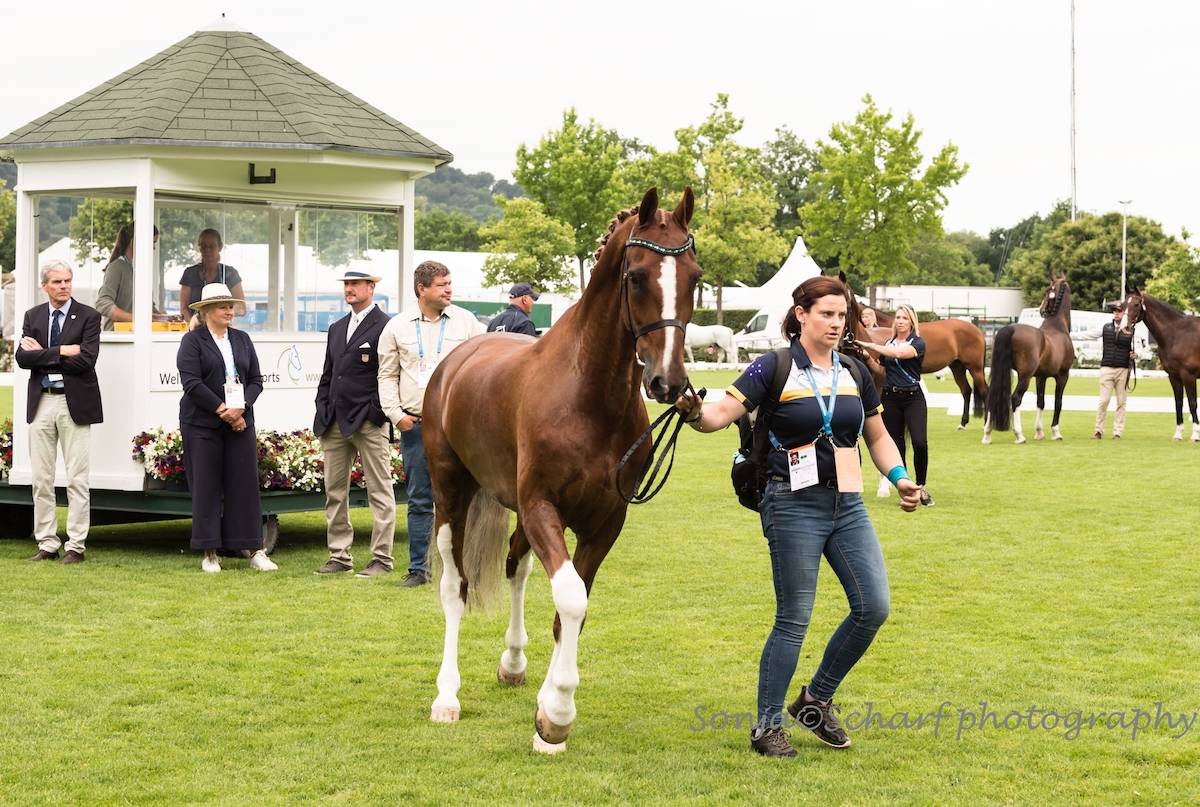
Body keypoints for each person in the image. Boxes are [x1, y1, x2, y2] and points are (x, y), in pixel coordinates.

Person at [675, 276, 920, 758]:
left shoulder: (855, 370)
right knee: (794, 618)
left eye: (841, 315)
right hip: (790, 503)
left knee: (873, 606)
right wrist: (693, 411)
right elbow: (719, 414)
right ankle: (766, 727)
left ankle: (815, 701)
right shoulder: (773, 366)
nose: (836, 323)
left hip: (846, 503)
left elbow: (877, 435)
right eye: (826, 313)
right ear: (802, 314)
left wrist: (900, 477)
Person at [378, 260, 485, 587]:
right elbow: (387, 375)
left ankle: (469, 567)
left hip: (461, 428)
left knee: (470, 498)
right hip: (418, 426)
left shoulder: (468, 323)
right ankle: (419, 569)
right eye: (442, 285)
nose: (449, 290)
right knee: (421, 498)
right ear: (421, 289)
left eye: (449, 283)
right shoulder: (397, 327)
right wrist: (396, 415)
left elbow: (485, 368)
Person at [176, 283, 277, 573]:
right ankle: (209, 552)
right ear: (207, 310)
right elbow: (192, 383)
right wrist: (224, 411)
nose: (229, 310)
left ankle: (254, 549)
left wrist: (241, 407)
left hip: (241, 421)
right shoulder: (192, 341)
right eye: (223, 306)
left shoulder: (242, 339)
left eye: (231, 306)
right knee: (206, 486)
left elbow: (256, 380)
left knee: (244, 485)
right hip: (202, 424)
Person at [15, 260, 103, 563]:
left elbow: (86, 360)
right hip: (42, 401)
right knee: (41, 477)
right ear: (45, 286)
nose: (64, 286)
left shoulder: (89, 316)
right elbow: (22, 359)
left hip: (73, 403)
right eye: (57, 282)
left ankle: (76, 545)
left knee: (77, 478)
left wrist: (42, 354)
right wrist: (63, 350)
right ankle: (47, 543)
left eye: (67, 280)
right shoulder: (33, 316)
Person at [313, 270, 396, 577]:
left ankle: (382, 559)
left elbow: (390, 374)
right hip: (334, 422)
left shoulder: (386, 326)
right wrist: (322, 408)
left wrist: (376, 413)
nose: (349, 289)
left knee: (380, 492)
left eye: (355, 284)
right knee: (334, 492)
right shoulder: (337, 328)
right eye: (346, 284)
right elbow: (328, 374)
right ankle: (339, 556)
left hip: (368, 422)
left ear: (371, 287)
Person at [856, 304, 934, 507]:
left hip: (913, 397)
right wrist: (867, 358)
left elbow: (899, 354)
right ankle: (906, 485)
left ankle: (921, 485)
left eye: (904, 318)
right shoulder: (889, 343)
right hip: (890, 398)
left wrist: (870, 345)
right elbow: (882, 371)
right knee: (896, 445)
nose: (900, 321)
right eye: (898, 317)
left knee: (919, 442)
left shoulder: (917, 343)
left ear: (911, 321)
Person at [1078, 303, 1136, 439]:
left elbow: (1136, 348)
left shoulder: (1131, 330)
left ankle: (1117, 432)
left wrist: (1135, 355)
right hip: (1107, 368)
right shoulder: (1106, 328)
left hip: (1123, 369)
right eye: (1115, 311)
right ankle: (1098, 430)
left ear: (1124, 313)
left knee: (1121, 402)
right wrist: (1069, 335)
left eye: (1119, 311)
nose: (1116, 313)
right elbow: (1089, 335)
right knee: (1103, 401)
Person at [95, 223, 158, 331]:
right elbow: (103, 304)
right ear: (134, 241)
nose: (154, 247)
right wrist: (137, 320)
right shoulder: (116, 267)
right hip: (118, 337)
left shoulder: (141, 270)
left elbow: (146, 309)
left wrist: (161, 317)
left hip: (138, 335)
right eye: (152, 242)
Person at [179, 229, 245, 314]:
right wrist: (193, 322)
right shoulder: (190, 273)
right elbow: (184, 308)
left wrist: (224, 315)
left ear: (220, 247)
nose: (207, 250)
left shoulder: (230, 273)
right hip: (195, 322)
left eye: (212, 246)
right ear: (199, 248)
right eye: (204, 246)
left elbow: (241, 308)